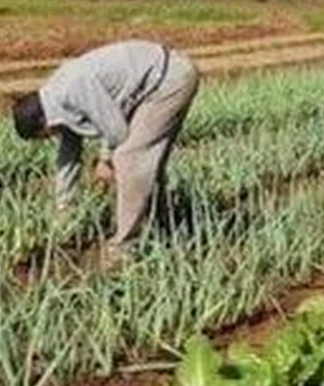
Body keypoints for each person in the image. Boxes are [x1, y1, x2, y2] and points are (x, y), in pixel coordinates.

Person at [13, 40, 200, 263]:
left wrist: (105, 160)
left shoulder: (73, 89)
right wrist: (64, 207)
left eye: (44, 136)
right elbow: (68, 154)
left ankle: (124, 246)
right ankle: (161, 221)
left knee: (129, 158)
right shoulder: (54, 101)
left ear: (44, 124)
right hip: (152, 86)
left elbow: (116, 129)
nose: (50, 138)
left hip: (168, 81)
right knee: (143, 160)